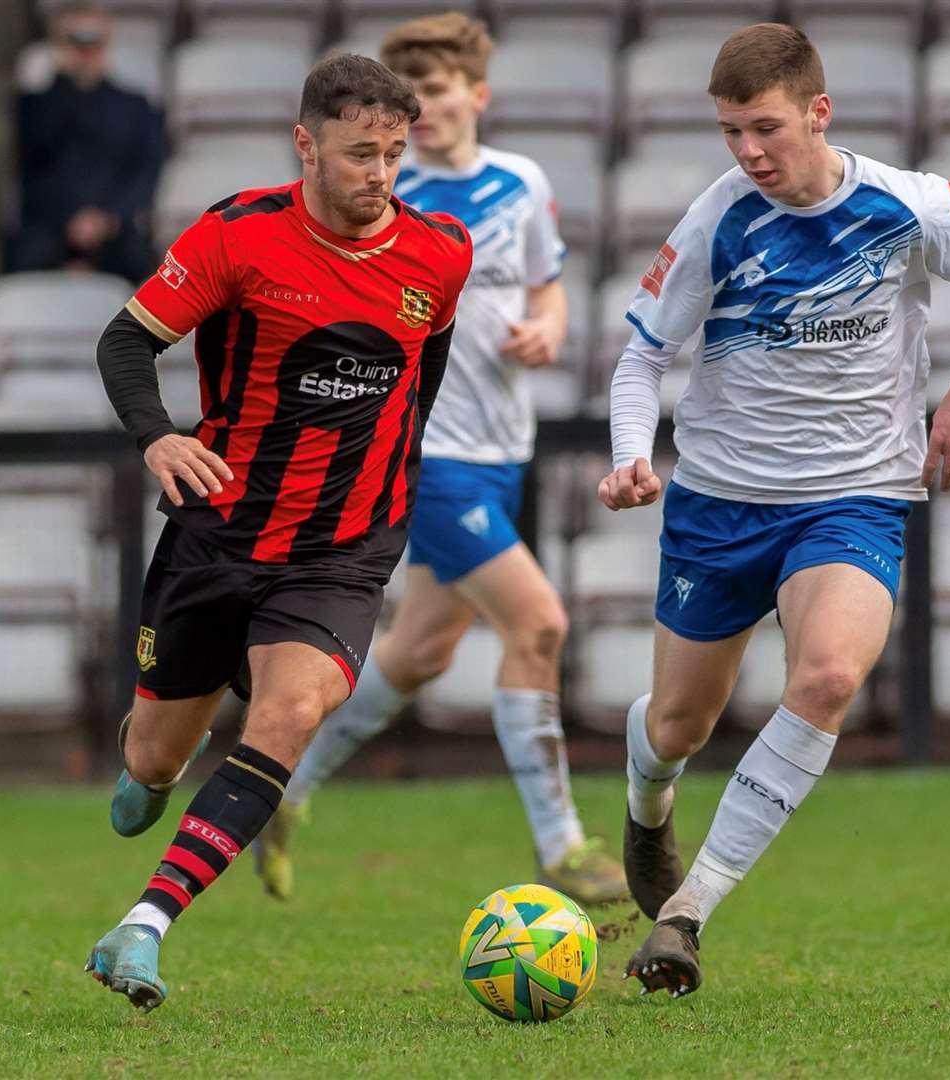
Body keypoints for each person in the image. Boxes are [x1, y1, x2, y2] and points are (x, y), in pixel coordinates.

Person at [598, 24, 950, 998]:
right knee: (676, 724)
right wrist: (631, 456)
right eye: (731, 133)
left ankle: (685, 913)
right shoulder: (717, 218)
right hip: (719, 503)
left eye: (766, 128)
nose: (750, 153)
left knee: (828, 675)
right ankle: (647, 801)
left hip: (856, 496)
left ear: (818, 112)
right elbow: (639, 357)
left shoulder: (907, 203)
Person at [84, 53, 472, 1012]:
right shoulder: (238, 235)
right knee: (153, 762)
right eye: (356, 156)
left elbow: (421, 383)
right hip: (218, 537)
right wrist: (157, 439)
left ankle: (144, 925)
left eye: (392, 154)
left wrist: (394, 491)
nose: (378, 175)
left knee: (290, 715)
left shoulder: (442, 252)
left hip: (342, 552)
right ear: (305, 144)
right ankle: (146, 766)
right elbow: (126, 340)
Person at [257, 11, 629, 906]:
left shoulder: (521, 183)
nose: (426, 113)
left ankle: (281, 786)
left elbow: (546, 286)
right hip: (423, 451)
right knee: (538, 625)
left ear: (477, 96)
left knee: (419, 652)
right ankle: (563, 846)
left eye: (440, 94)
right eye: (410, 102)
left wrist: (547, 327)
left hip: (504, 444)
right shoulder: (383, 200)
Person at [11, 2, 162, 283]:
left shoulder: (135, 106)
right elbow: (32, 160)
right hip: (51, 223)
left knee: (147, 271)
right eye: (75, 41)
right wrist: (65, 80)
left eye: (94, 41)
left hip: (113, 225)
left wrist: (106, 217)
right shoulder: (35, 105)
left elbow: (145, 169)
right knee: (23, 264)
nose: (85, 51)